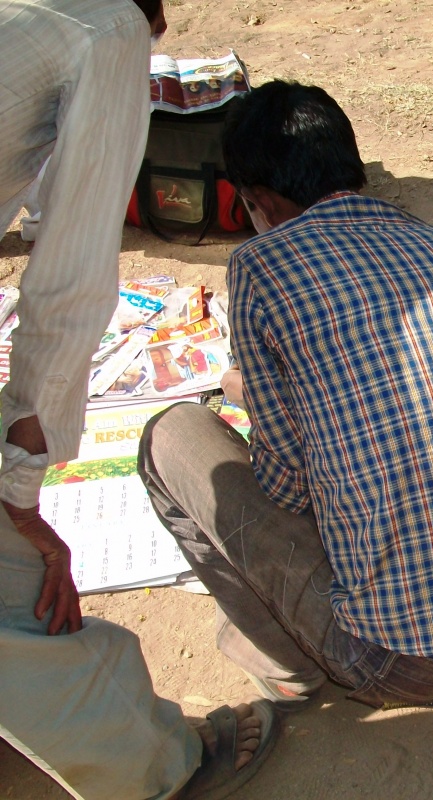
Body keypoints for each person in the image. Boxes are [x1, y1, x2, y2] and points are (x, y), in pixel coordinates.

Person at [137, 80, 433, 736]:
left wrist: (255, 395)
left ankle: (289, 664)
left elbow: (286, 487)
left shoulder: (262, 266)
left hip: (397, 661)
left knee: (169, 435)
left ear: (259, 202)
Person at [0, 2, 278, 798]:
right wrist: (21, 488)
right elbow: (69, 280)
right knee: (17, 594)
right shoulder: (107, 26)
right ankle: (151, 767)